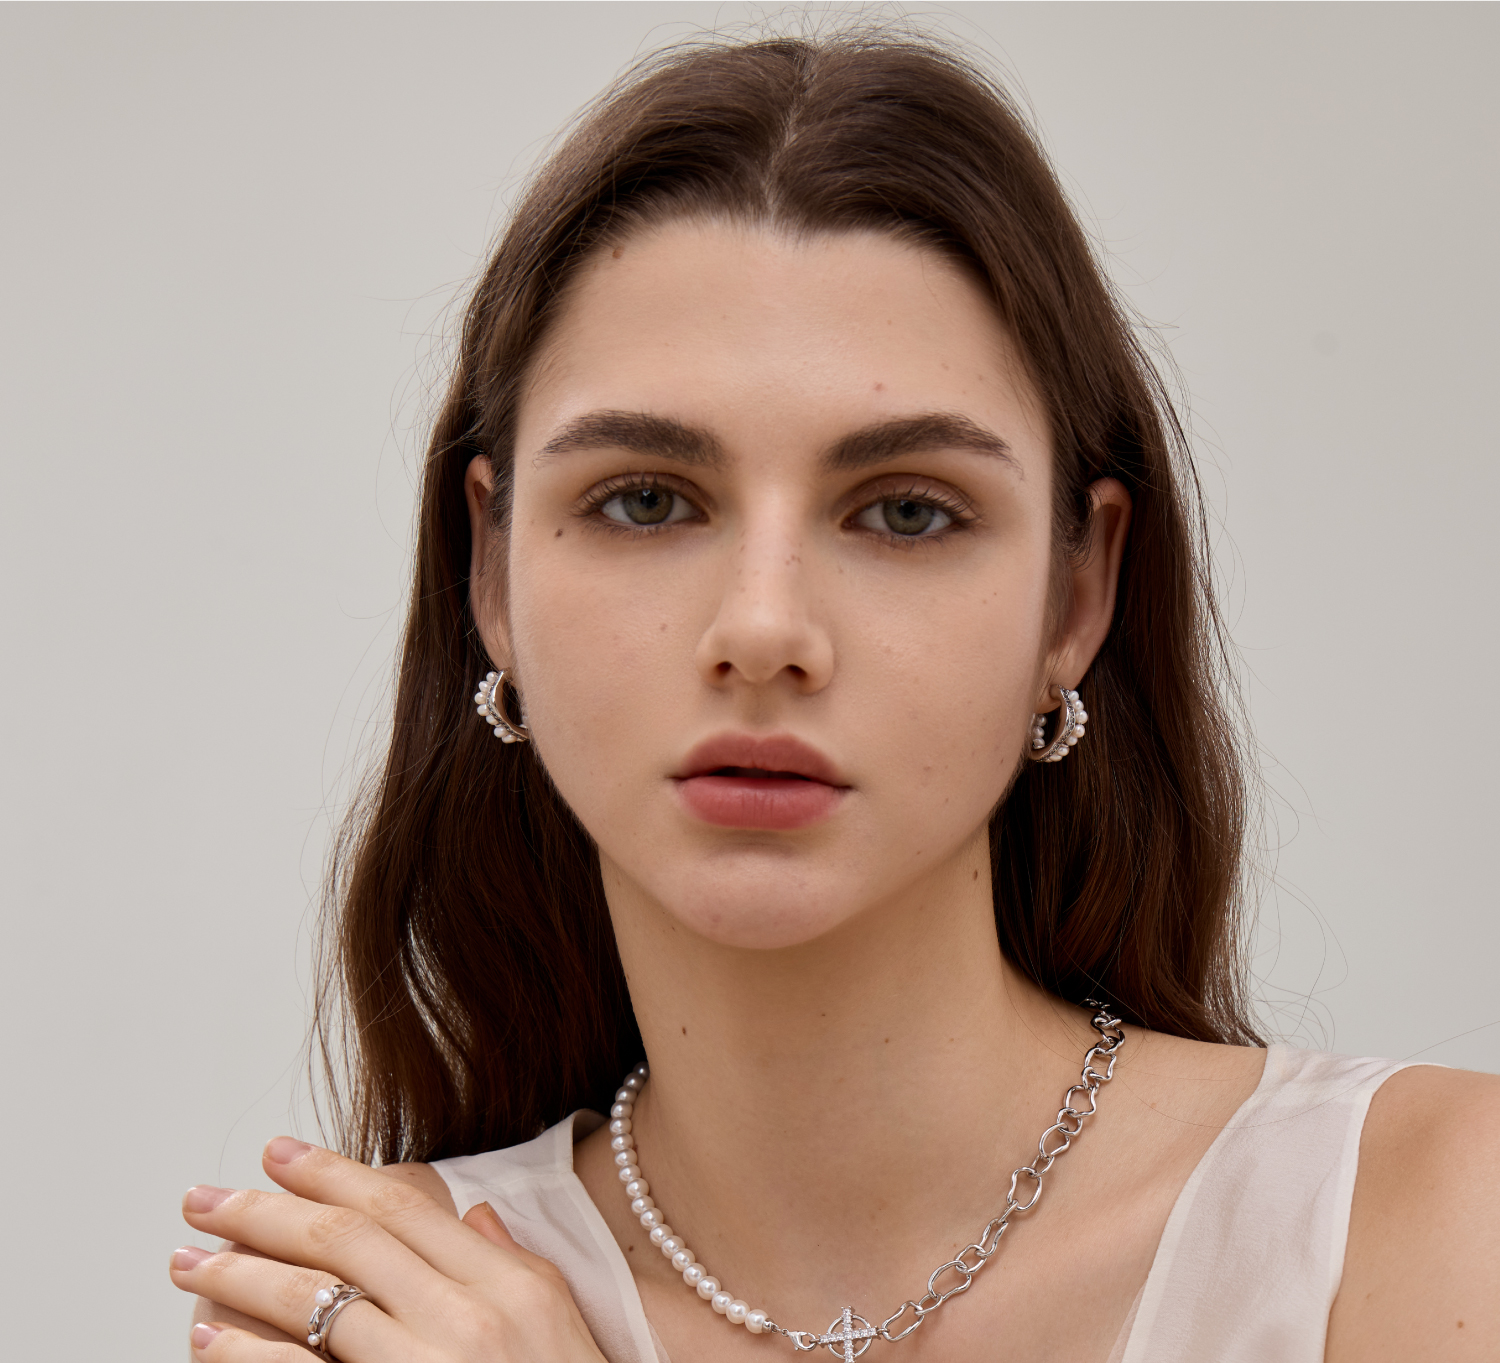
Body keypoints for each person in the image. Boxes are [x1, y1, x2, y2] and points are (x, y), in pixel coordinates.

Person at [168, 30, 1499, 1362]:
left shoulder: (1433, 1216)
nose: (764, 630)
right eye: (645, 501)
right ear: (492, 574)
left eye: (907, 511)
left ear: (1077, 596)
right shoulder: (375, 1310)